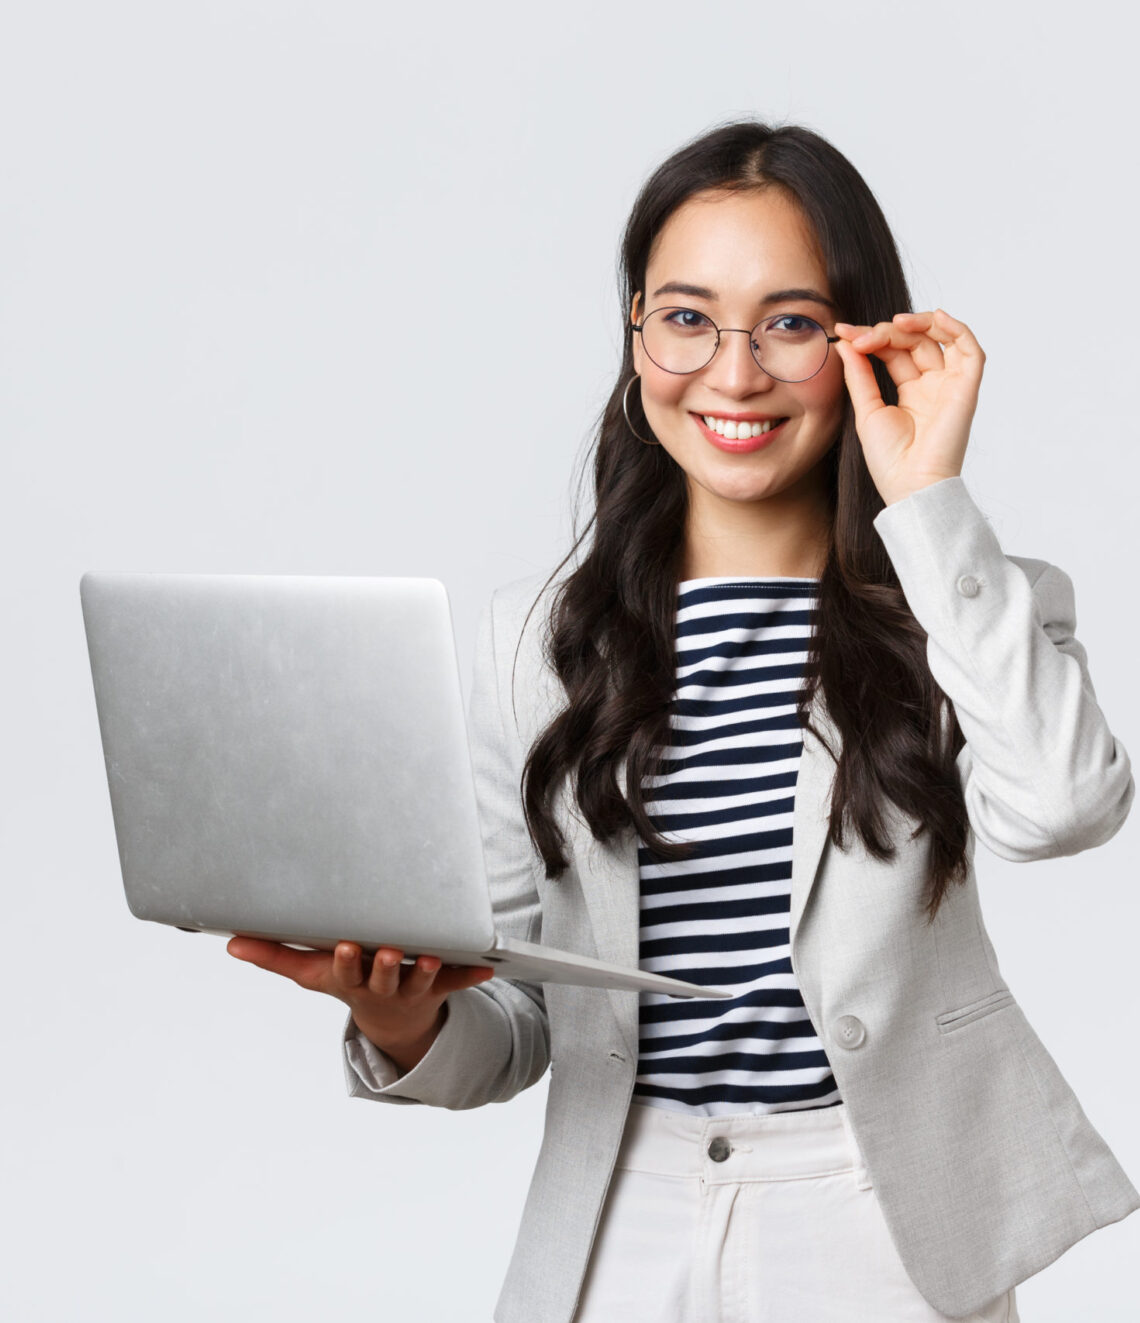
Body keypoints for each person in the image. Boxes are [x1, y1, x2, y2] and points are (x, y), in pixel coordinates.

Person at [226, 120, 1138, 1322]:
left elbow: (1066, 806)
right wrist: (399, 1019)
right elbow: (514, 1022)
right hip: (621, 1213)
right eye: (688, 317)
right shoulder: (534, 641)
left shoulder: (966, 604)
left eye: (792, 322)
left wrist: (929, 502)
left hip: (884, 1216)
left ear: (866, 341)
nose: (735, 370)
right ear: (636, 336)